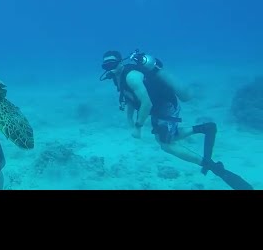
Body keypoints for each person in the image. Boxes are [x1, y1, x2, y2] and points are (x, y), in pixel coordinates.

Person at [100, 49, 253, 190]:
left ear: (121, 62)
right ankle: (204, 129)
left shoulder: (131, 77)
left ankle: (212, 167)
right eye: (105, 65)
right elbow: (129, 100)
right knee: (166, 139)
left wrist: (138, 126)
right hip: (158, 109)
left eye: (112, 63)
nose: (109, 68)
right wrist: (130, 123)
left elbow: (146, 103)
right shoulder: (117, 78)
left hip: (165, 106)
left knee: (166, 144)